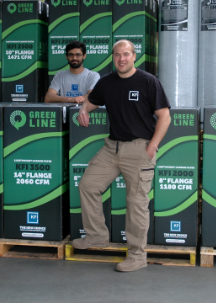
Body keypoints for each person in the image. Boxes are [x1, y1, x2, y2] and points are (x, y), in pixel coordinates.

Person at [72, 39, 171, 272]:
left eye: (126, 54)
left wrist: (153, 146)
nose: (121, 59)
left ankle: (137, 256)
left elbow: (165, 117)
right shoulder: (106, 83)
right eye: (117, 55)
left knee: (136, 203)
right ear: (113, 57)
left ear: (134, 56)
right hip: (111, 148)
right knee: (87, 185)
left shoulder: (148, 82)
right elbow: (91, 101)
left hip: (140, 149)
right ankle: (96, 236)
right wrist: (83, 109)